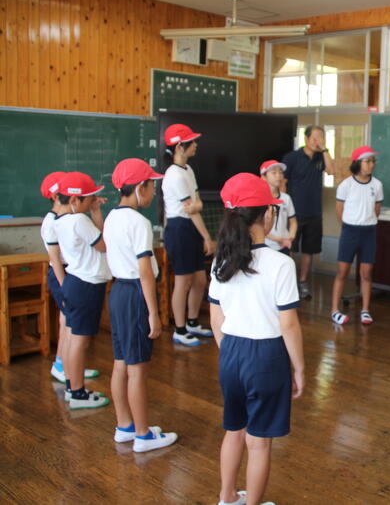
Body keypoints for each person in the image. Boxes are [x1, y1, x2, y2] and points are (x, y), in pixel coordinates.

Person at [208, 173, 304, 505]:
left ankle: (227, 497)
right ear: (267, 214)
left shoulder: (221, 259)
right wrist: (300, 368)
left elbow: (216, 320)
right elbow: (288, 325)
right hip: (266, 356)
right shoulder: (281, 264)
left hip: (231, 351)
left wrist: (231, 352)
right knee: (259, 442)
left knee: (234, 430)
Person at [105, 158, 178, 453]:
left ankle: (124, 425)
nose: (153, 191)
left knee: (121, 362)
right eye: (151, 186)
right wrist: (154, 313)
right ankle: (143, 435)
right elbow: (146, 272)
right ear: (139, 188)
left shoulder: (111, 217)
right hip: (136, 294)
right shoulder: (139, 222)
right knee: (137, 369)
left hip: (118, 292)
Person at [54, 171, 112, 409]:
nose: (92, 202)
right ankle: (77, 393)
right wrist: (96, 214)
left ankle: (72, 387)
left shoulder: (61, 220)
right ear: (74, 200)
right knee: (80, 341)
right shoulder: (79, 220)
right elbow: (104, 245)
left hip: (74, 282)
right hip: (87, 285)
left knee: (72, 337)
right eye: (89, 199)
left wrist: (94, 210)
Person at [41, 171, 99, 387]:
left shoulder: (66, 219)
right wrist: (65, 285)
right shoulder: (51, 222)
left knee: (68, 323)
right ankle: (63, 367)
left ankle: (69, 366)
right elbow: (55, 259)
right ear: (57, 197)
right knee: (68, 324)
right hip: (62, 274)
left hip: (70, 273)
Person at [162, 123, 214, 346]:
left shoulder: (188, 170)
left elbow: (197, 203)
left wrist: (197, 205)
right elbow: (192, 210)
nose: (195, 145)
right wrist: (207, 237)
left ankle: (192, 322)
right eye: (191, 142)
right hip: (179, 229)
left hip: (190, 228)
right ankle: (180, 329)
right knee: (183, 282)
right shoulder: (174, 175)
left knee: (200, 280)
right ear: (179, 148)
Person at [330, 146, 383, 326]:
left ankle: (365, 310)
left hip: (369, 232)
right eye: (367, 161)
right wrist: (348, 226)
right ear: (357, 163)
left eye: (373, 161)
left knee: (366, 273)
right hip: (350, 231)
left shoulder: (377, 185)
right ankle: (335, 310)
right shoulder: (346, 185)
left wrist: (367, 221)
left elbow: (377, 210)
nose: (371, 165)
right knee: (343, 271)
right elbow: (339, 210)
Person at [282, 125, 334, 300]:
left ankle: (303, 282)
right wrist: (284, 208)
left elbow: (332, 171)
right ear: (306, 138)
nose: (317, 141)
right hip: (294, 213)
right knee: (289, 248)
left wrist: (325, 149)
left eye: (321, 138)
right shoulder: (292, 157)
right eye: (315, 138)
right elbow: (283, 183)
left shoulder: (321, 157)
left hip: (314, 213)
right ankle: (287, 282)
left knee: (308, 250)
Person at [259, 160, 297, 255]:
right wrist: (278, 239)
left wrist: (290, 238)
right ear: (263, 177)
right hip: (265, 246)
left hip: (284, 246)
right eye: (274, 172)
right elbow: (257, 227)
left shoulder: (286, 198)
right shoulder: (258, 199)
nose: (278, 176)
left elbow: (293, 222)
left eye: (280, 172)